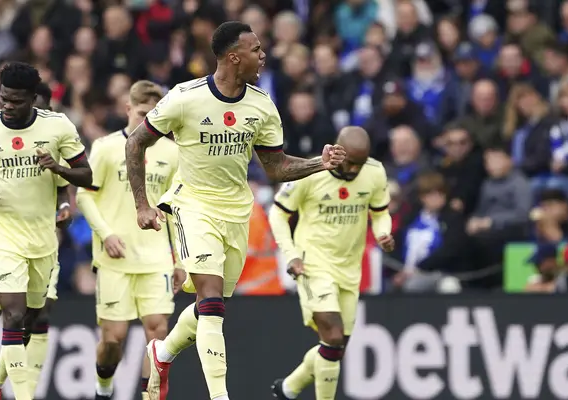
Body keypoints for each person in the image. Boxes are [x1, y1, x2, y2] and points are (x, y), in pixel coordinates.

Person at [124, 21, 346, 400]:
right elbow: (136, 143)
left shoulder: (261, 105)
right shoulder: (184, 97)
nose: (263, 56)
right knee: (210, 303)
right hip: (192, 205)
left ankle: (161, 353)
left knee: (210, 306)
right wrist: (143, 204)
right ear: (233, 57)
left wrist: (318, 163)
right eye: (256, 49)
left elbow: (275, 168)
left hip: (236, 211)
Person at [0, 62, 91, 400]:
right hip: (1, 236)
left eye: (16, 101)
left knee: (31, 317)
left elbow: (86, 175)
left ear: (33, 99)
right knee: (9, 315)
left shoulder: (58, 127)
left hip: (43, 238)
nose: (7, 106)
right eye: (3, 98)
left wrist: (56, 168)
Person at [267, 126, 394, 400]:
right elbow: (277, 214)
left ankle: (288, 388)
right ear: (337, 151)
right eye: (349, 162)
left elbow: (381, 212)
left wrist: (383, 232)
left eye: (359, 164)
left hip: (350, 268)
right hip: (313, 264)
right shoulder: (309, 172)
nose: (354, 170)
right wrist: (291, 254)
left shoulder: (374, 172)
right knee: (333, 336)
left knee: (336, 349)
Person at [76, 80, 184, 400]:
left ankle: (150, 396)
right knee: (114, 340)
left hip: (156, 257)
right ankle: (104, 386)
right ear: (127, 109)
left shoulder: (172, 152)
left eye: (154, 115)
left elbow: (176, 211)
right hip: (115, 258)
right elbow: (84, 196)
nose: (147, 120)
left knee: (157, 331)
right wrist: (105, 234)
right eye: (141, 113)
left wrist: (180, 260)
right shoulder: (107, 148)